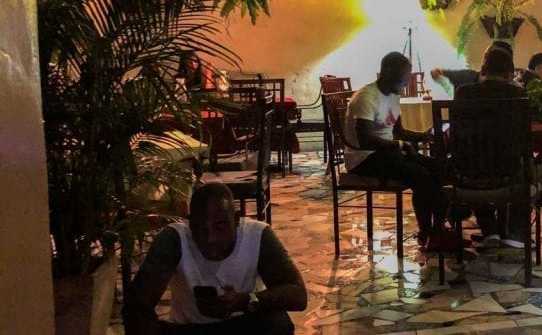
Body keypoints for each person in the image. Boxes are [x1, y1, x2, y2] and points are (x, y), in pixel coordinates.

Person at [123, 183, 306, 335]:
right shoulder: (174, 240)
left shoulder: (257, 235)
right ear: (190, 222)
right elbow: (137, 307)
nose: (210, 238)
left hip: (243, 323)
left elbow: (298, 295)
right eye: (201, 228)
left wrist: (244, 301)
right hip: (191, 328)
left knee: (277, 323)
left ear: (236, 220)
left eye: (220, 226)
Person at [345, 52, 454, 250]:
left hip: (387, 153)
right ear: (387, 72)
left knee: (441, 167)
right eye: (404, 76)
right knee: (422, 176)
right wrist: (400, 146)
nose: (407, 81)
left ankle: (435, 231)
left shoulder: (393, 96)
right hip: (364, 159)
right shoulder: (366, 97)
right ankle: (429, 233)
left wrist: (423, 136)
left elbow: (398, 131)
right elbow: (364, 140)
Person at [455, 48, 531, 248]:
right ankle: (514, 232)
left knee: (477, 160)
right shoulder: (517, 94)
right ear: (510, 73)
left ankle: (490, 231)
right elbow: (525, 138)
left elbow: (455, 134)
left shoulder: (463, 93)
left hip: (467, 175)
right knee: (530, 167)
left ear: (483, 69)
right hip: (508, 173)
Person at [430, 40, 515, 93]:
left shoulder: (463, 91)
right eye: (486, 56)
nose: (485, 60)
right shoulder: (517, 94)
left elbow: (455, 120)